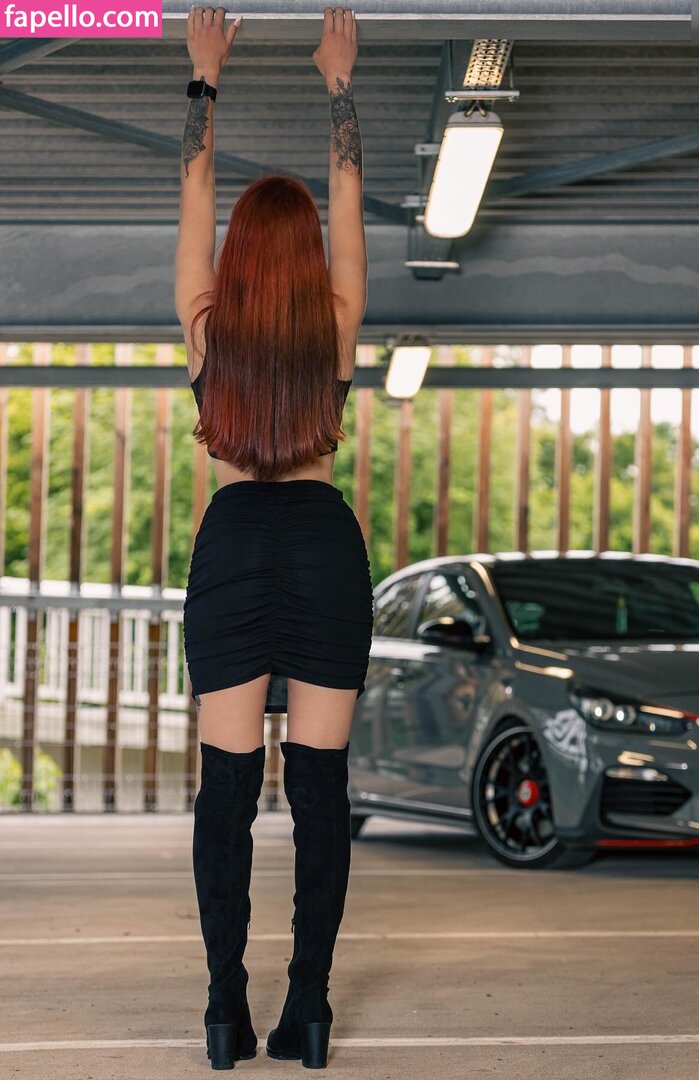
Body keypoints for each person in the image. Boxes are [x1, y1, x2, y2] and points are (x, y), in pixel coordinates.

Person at [175, 5, 371, 1070]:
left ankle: (223, 1010)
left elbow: (195, 192)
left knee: (228, 792)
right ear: (306, 263)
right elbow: (347, 199)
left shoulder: (209, 327)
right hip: (322, 546)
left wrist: (205, 79)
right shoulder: (334, 324)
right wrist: (339, 85)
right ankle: (310, 1010)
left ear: (241, 260)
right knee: (321, 793)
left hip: (236, 543)